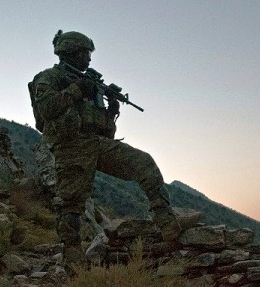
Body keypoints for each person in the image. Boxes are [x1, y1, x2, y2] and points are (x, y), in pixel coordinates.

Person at [29, 30, 181, 266]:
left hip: (97, 144)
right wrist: (78, 89)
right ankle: (73, 257)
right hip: (71, 147)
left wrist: (110, 106)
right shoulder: (49, 78)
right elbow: (48, 109)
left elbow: (106, 131)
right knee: (71, 203)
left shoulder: (88, 82)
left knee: (144, 163)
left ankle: (167, 224)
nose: (89, 58)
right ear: (70, 51)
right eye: (84, 53)